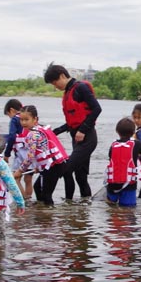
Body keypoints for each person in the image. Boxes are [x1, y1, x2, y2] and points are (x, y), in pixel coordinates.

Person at [44, 63, 102, 200]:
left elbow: (96, 109)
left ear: (62, 76)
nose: (55, 86)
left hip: (87, 138)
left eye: (55, 82)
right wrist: (55, 132)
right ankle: (85, 206)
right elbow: (73, 120)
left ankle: (68, 202)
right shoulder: (68, 92)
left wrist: (82, 130)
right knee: (80, 176)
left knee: (66, 169)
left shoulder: (80, 88)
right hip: (76, 139)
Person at [14, 104, 68, 206]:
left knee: (47, 194)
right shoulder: (40, 129)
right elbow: (42, 151)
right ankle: (42, 216)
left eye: (27, 119)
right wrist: (38, 167)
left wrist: (20, 170)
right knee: (38, 188)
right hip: (56, 164)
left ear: (35, 119)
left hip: (54, 166)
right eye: (21, 120)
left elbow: (30, 156)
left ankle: (48, 217)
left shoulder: (33, 134)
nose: (23, 123)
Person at [105, 117, 141, 206]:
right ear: (133, 132)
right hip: (130, 184)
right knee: (128, 209)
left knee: (111, 206)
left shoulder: (113, 145)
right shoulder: (137, 144)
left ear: (117, 131)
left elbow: (110, 157)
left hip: (113, 184)